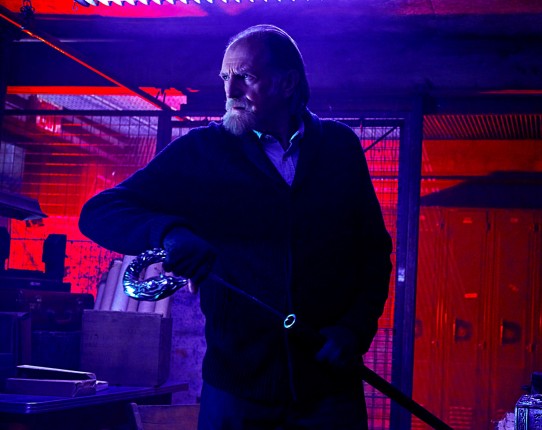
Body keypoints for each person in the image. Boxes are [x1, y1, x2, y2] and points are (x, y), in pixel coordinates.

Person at [79, 24, 393, 430]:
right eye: (225, 77)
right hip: (236, 393)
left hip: (329, 390)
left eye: (245, 77)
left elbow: (373, 253)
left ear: (287, 83)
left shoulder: (340, 148)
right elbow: (100, 211)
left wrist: (354, 329)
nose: (230, 91)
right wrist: (170, 232)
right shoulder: (203, 150)